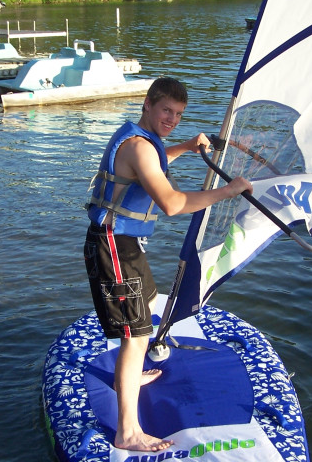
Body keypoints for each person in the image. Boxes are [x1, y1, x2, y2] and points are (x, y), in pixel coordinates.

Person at [84, 77, 253, 452]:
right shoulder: (139, 147)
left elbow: (154, 159)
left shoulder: (144, 140)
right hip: (113, 246)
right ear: (147, 104)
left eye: (178, 114)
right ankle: (127, 432)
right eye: (166, 111)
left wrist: (186, 147)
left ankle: (126, 377)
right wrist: (228, 191)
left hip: (126, 243)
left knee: (145, 307)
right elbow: (173, 204)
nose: (171, 119)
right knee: (136, 334)